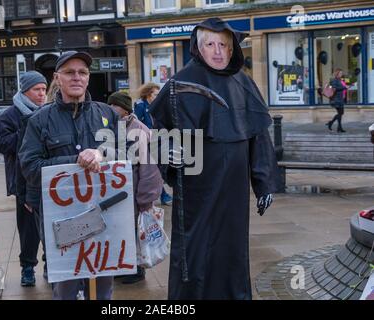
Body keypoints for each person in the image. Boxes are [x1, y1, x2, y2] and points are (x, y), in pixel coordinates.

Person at [149, 17, 279, 299]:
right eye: (210, 44)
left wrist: (264, 183)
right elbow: (159, 132)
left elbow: (258, 136)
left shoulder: (243, 83)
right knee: (195, 251)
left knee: (231, 249)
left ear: (232, 50)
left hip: (234, 189)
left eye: (224, 45)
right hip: (198, 186)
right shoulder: (180, 83)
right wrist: (168, 153)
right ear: (199, 47)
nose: (218, 51)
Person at [18, 51, 120, 300]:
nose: (77, 77)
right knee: (66, 284)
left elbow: (126, 154)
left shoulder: (106, 114)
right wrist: (75, 162)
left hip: (103, 211)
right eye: (69, 72)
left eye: (82, 72)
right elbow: (30, 167)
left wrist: (101, 154)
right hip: (61, 217)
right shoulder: (39, 120)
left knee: (102, 282)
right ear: (57, 78)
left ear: (88, 77)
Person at [0, 71, 47, 286]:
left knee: (52, 226)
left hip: (46, 177)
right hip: (22, 180)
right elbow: (3, 145)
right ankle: (28, 268)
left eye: (44, 89)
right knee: (28, 229)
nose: (42, 94)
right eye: (37, 89)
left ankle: (50, 264)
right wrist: (26, 128)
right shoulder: (10, 115)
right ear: (25, 90)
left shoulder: (48, 112)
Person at [107, 91, 163, 284]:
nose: (112, 109)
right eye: (110, 105)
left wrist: (146, 197)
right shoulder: (113, 126)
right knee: (123, 230)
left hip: (136, 189)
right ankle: (126, 265)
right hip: (120, 190)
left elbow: (149, 167)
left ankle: (137, 269)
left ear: (124, 108)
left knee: (136, 231)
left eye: (115, 105)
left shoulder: (138, 129)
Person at [134, 83, 173, 206]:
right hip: (144, 142)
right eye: (155, 94)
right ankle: (163, 196)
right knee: (153, 170)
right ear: (148, 95)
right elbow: (137, 123)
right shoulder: (140, 106)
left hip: (157, 140)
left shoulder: (158, 106)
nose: (158, 96)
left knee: (158, 169)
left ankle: (162, 195)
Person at [326, 68, 347, 133]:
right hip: (336, 99)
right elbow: (335, 89)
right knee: (340, 113)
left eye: (341, 73)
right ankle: (332, 123)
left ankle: (338, 127)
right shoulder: (334, 80)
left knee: (340, 113)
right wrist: (344, 87)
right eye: (340, 73)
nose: (341, 74)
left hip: (340, 99)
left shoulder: (339, 80)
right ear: (337, 74)